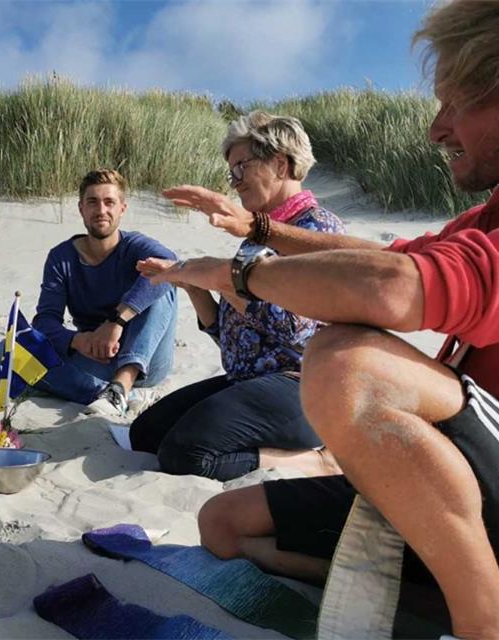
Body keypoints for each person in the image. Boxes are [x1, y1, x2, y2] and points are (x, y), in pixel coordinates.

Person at [150, 0, 499, 636]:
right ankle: (465, 595)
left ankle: (490, 625)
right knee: (224, 524)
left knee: (350, 363)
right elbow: (390, 259)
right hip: (469, 492)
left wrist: (241, 274)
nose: (437, 129)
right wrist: (258, 230)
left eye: (454, 102)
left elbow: (396, 290)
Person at [132, 111, 344, 480]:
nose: (235, 182)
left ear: (280, 164)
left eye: (241, 167)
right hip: (248, 380)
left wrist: (223, 278)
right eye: (232, 171)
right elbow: (235, 340)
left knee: (184, 454)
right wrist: (196, 287)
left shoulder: (316, 229)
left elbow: (294, 330)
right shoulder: (259, 237)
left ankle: (320, 461)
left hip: (302, 386)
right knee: (145, 434)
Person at [30, 169, 178, 417]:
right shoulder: (62, 258)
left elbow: (170, 262)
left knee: (161, 277)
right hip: (95, 358)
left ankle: (122, 384)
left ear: (122, 208)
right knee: (10, 351)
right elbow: (45, 321)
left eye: (109, 202)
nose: (101, 210)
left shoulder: (134, 247)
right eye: (92, 202)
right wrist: (79, 340)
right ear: (81, 208)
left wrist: (116, 322)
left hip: (146, 360)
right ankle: (112, 394)